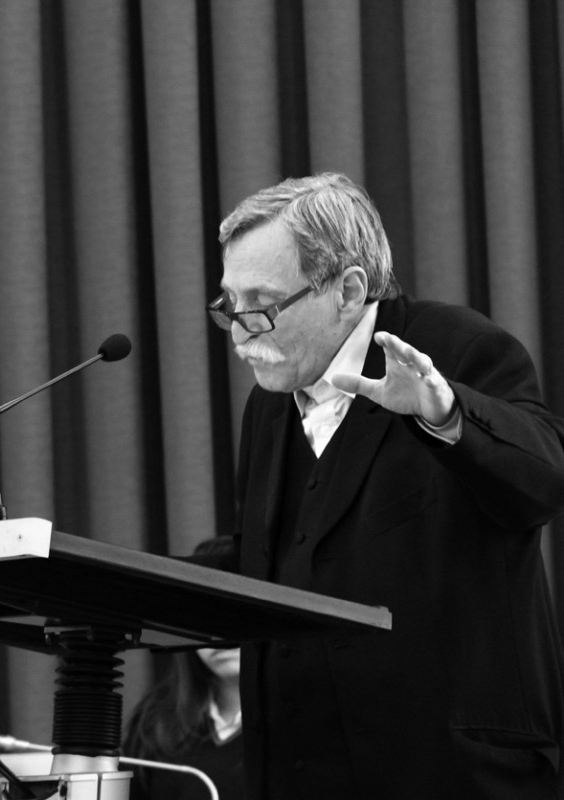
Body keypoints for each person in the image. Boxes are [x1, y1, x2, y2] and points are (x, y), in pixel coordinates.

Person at [203, 172, 564, 800]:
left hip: (449, 774)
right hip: (297, 772)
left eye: (261, 305)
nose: (239, 332)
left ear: (347, 291)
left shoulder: (459, 350)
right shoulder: (267, 407)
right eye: (229, 304)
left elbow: (542, 482)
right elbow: (278, 561)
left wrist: (444, 414)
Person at [123, 536, 244, 800]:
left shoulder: (302, 719)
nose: (221, 634)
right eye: (204, 616)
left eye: (235, 612)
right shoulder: (155, 719)